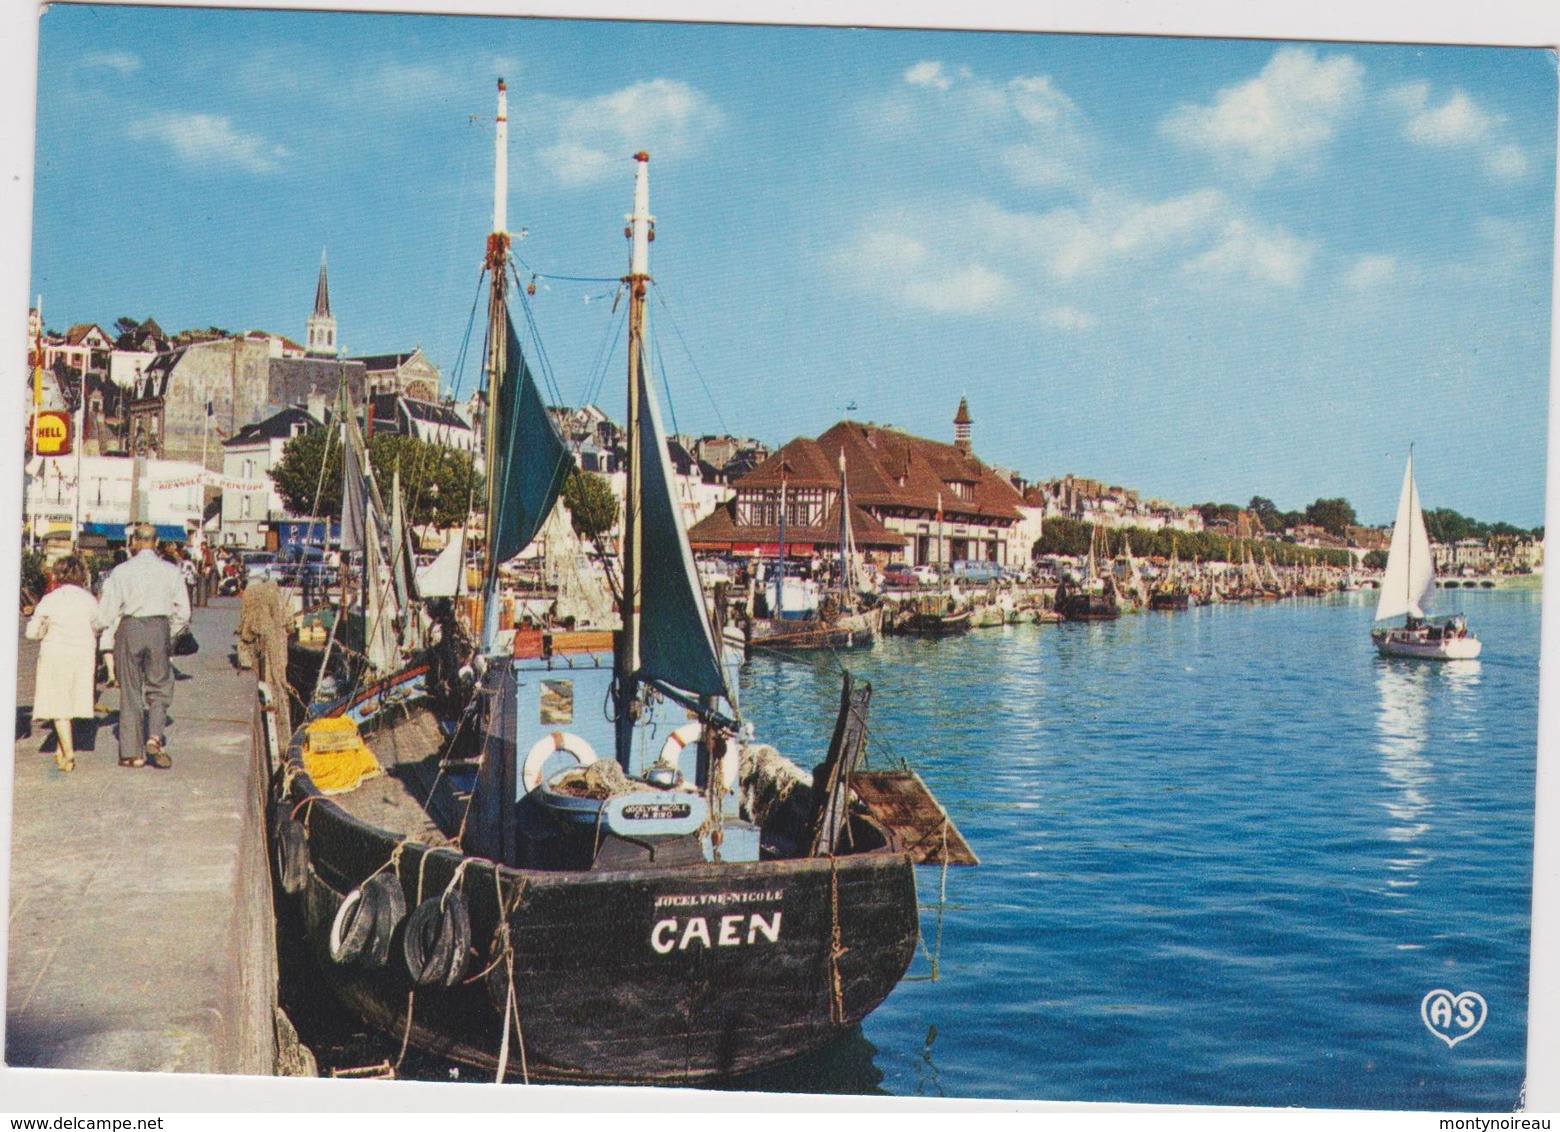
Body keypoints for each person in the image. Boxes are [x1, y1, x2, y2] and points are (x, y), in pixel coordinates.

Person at [95, 523, 190, 769]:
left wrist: (94, 629)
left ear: (134, 543)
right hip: (159, 627)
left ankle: (131, 754)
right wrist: (171, 632)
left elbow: (107, 611)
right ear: (157, 542)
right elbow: (184, 611)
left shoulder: (121, 571)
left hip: (130, 629)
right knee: (159, 686)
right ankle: (154, 737)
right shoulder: (171, 571)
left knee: (130, 689)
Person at [25, 556, 101, 772]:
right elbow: (99, 624)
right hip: (82, 653)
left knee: (58, 705)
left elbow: (32, 632)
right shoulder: (89, 599)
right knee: (71, 701)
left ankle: (68, 753)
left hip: (56, 652)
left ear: (57, 574)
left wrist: (41, 629)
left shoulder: (50, 599)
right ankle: (61, 749)